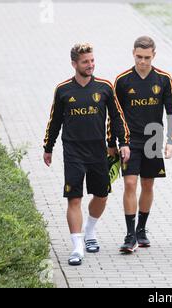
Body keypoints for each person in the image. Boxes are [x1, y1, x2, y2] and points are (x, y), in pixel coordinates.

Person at [43, 43, 130, 266]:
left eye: (92, 60)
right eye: (85, 62)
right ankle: (78, 246)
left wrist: (123, 143)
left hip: (98, 152)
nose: (90, 65)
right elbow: (55, 121)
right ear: (74, 64)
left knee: (101, 195)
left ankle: (90, 231)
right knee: (74, 198)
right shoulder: (63, 90)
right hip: (73, 151)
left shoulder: (104, 87)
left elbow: (117, 118)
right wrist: (48, 147)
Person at [110, 36, 172, 253]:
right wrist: (112, 142)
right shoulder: (122, 81)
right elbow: (114, 115)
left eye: (147, 57)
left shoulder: (163, 79)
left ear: (154, 55)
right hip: (130, 142)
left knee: (148, 184)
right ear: (133, 53)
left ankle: (141, 229)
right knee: (130, 183)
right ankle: (130, 235)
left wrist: (171, 141)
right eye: (139, 57)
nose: (142, 61)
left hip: (153, 140)